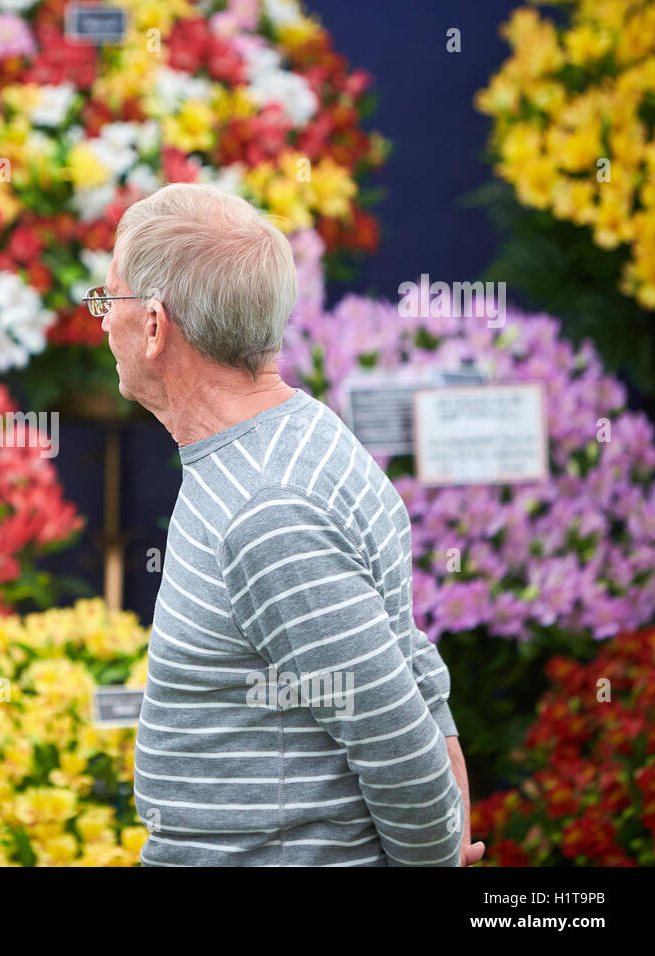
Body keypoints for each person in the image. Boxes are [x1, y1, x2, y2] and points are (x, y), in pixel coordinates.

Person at [86, 181, 484, 866]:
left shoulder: (266, 508)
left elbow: (392, 735)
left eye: (108, 299)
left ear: (154, 325)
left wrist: (435, 858)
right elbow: (406, 658)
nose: (100, 320)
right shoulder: (294, 438)